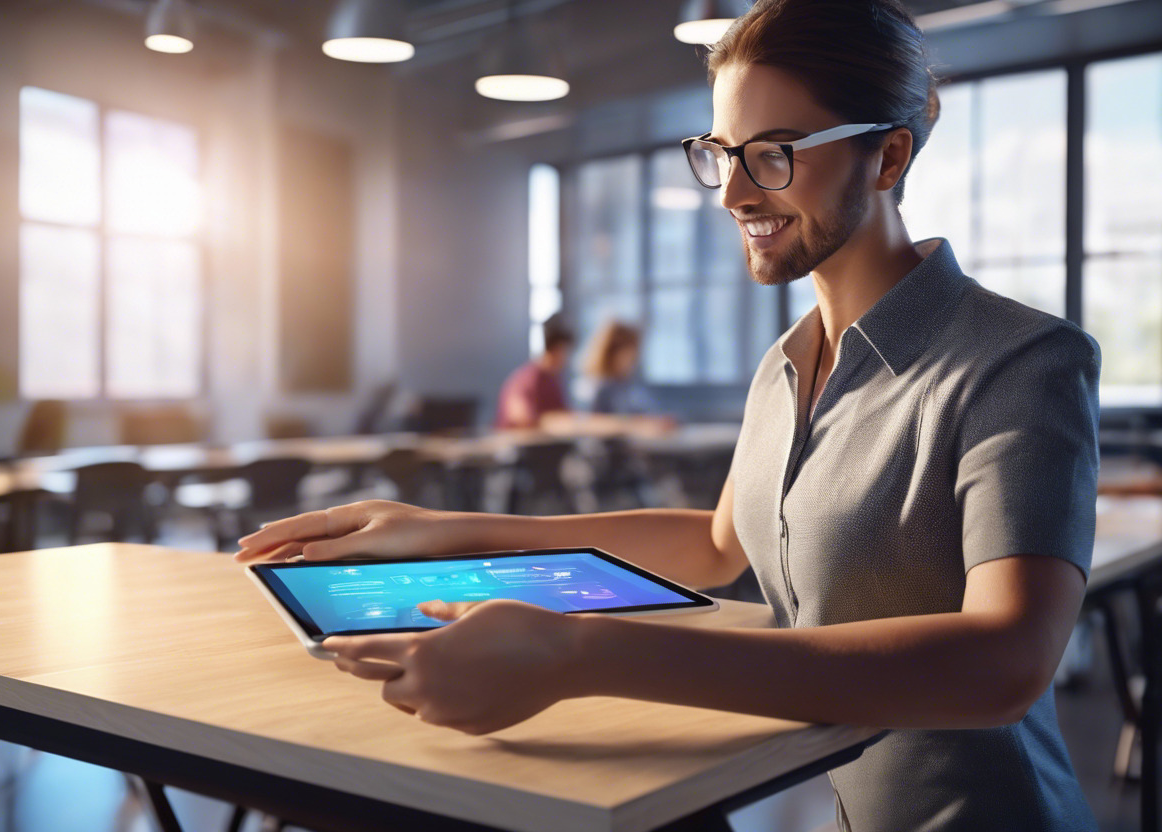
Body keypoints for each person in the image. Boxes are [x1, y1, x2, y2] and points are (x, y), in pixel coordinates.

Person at [236, 1, 1101, 829]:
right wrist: (447, 533)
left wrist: (581, 657)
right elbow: (719, 546)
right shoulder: (787, 365)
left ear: (887, 158)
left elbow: (1005, 663)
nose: (732, 194)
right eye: (721, 153)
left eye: (775, 152)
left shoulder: (1020, 361)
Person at [493, 314, 573, 430]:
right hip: (519, 445)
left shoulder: (553, 379)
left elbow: (565, 414)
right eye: (564, 351)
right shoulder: (528, 379)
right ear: (556, 349)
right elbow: (522, 417)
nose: (566, 358)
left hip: (546, 443)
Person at [580, 319, 659, 416]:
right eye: (628, 356)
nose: (631, 363)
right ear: (611, 353)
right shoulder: (596, 388)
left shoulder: (626, 385)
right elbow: (592, 423)